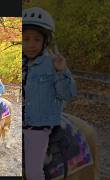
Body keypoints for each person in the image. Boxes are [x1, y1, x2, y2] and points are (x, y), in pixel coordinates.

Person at [22, 7, 77, 180]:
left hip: (37, 126)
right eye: (26, 39)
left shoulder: (52, 64)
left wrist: (61, 72)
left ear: (45, 42)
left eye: (37, 39)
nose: (31, 44)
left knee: (32, 173)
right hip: (20, 121)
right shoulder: (21, 64)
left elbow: (67, 94)